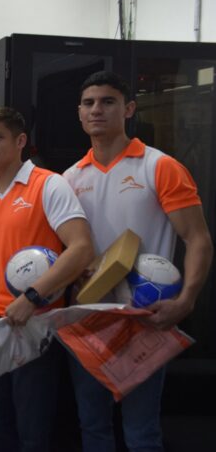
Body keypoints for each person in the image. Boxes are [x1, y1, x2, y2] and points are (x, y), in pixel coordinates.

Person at [64, 70, 213, 452]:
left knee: (141, 433)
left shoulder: (159, 166)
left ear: (129, 108)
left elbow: (198, 239)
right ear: (79, 113)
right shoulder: (69, 178)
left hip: (144, 319)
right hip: (88, 319)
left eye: (108, 101)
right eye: (88, 103)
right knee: (92, 427)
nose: (97, 110)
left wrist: (186, 301)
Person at [0, 107, 93, 452]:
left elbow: (82, 248)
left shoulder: (48, 184)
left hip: (34, 321)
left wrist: (32, 297)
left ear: (20, 140)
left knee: (33, 428)